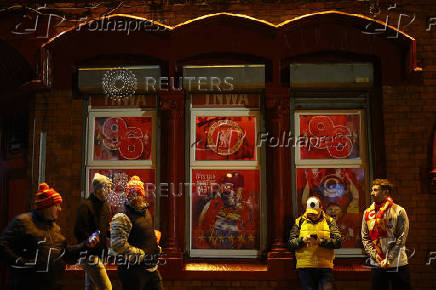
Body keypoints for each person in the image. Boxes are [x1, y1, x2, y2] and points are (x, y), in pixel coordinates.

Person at [0, 183, 99, 290]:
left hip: (52, 285)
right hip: (25, 285)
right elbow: (3, 246)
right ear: (46, 206)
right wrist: (22, 264)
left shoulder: (55, 229)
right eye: (56, 205)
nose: (60, 209)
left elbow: (67, 254)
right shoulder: (23, 222)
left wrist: (86, 245)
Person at [110, 176, 162, 290]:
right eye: (132, 194)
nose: (135, 197)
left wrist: (155, 245)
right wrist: (140, 255)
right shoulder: (122, 216)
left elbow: (142, 232)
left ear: (143, 194)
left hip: (151, 268)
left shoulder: (145, 211)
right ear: (127, 195)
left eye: (138, 193)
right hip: (132, 272)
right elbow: (117, 244)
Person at [361, 179, 411, 290]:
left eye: (375, 190)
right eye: (371, 190)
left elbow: (401, 237)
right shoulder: (367, 213)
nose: (371, 193)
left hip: (398, 262)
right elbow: (365, 238)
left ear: (385, 192)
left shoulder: (398, 211)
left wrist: (389, 258)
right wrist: (375, 257)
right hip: (377, 263)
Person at [288, 196, 342, 290]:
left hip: (325, 267)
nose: (313, 216)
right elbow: (291, 244)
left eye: (315, 213)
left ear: (321, 209)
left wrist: (320, 241)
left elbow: (338, 242)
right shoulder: (299, 222)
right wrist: (302, 240)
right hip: (305, 267)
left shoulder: (330, 221)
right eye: (310, 213)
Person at [75, 173, 113, 290]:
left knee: (91, 286)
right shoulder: (85, 206)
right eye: (106, 188)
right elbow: (78, 231)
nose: (109, 190)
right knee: (107, 287)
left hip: (100, 253)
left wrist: (113, 232)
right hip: (89, 254)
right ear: (97, 191)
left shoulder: (106, 206)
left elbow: (106, 229)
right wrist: (90, 240)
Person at [197, 172, 254, 249]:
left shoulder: (246, 207)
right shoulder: (212, 203)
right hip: (213, 247)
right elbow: (201, 225)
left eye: (236, 188)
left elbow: (250, 231)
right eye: (227, 187)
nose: (231, 191)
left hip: (237, 248)